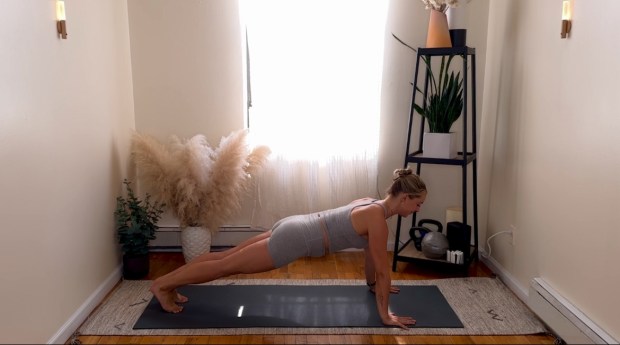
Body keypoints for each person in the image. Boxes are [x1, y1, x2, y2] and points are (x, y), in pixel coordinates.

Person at [150, 168, 427, 329]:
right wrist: (385, 315)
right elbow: (382, 268)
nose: (418, 209)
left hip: (295, 224)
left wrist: (371, 285)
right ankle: (163, 285)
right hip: (296, 240)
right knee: (225, 266)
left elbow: (370, 256)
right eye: (417, 204)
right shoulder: (378, 220)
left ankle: (171, 284)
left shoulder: (370, 203)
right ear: (404, 197)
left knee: (224, 256)